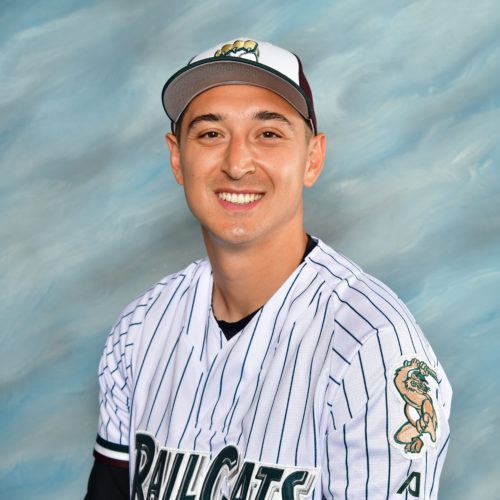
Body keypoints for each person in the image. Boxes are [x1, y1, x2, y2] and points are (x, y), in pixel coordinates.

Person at [86, 38, 452, 499]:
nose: (237, 164)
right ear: (177, 158)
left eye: (269, 134)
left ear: (312, 159)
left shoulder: (373, 348)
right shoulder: (139, 329)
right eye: (211, 134)